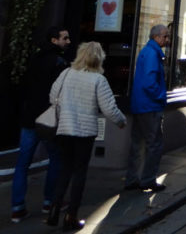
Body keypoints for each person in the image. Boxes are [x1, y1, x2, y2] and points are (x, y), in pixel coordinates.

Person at [46, 41, 126, 232]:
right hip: (84, 132)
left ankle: (54, 209)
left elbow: (52, 97)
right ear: (99, 58)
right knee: (79, 173)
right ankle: (71, 216)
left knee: (64, 169)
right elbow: (109, 108)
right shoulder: (99, 80)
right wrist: (121, 121)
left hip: (64, 129)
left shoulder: (66, 74)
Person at [10, 25, 70, 224]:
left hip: (29, 117)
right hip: (48, 119)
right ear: (54, 40)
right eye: (64, 38)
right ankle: (50, 201)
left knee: (22, 163)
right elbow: (62, 93)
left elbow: (24, 86)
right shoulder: (59, 62)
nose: (68, 42)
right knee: (56, 159)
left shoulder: (34, 59)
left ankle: (17, 208)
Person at [124, 24, 169, 193]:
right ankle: (148, 179)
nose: (167, 39)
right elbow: (150, 83)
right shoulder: (152, 53)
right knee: (154, 144)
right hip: (150, 106)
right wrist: (161, 96)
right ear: (157, 37)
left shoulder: (147, 52)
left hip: (140, 105)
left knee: (138, 144)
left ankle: (132, 179)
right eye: (165, 36)